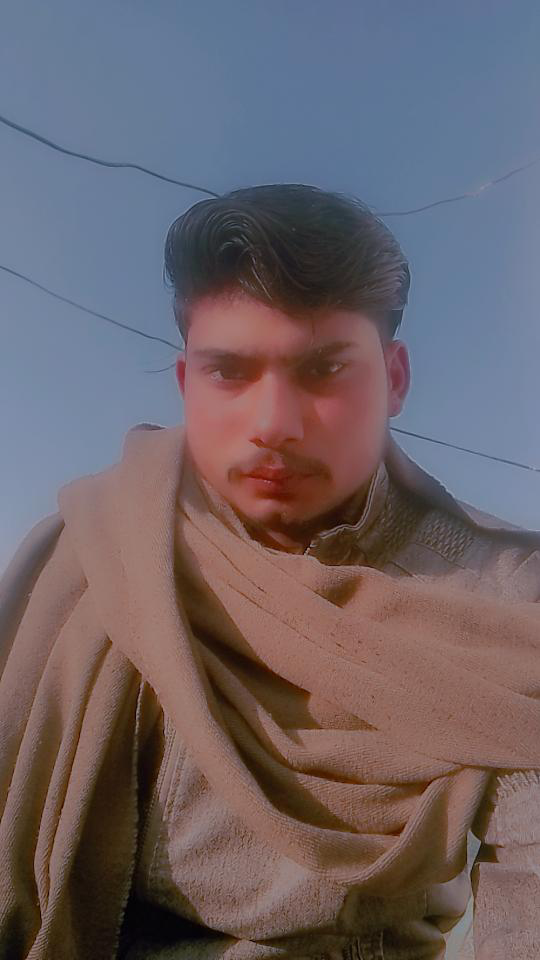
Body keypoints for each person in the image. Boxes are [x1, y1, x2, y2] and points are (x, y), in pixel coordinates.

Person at [1, 183, 539, 960]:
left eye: (325, 369)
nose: (274, 425)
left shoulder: (502, 604)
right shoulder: (92, 551)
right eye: (229, 372)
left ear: (394, 379)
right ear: (187, 385)